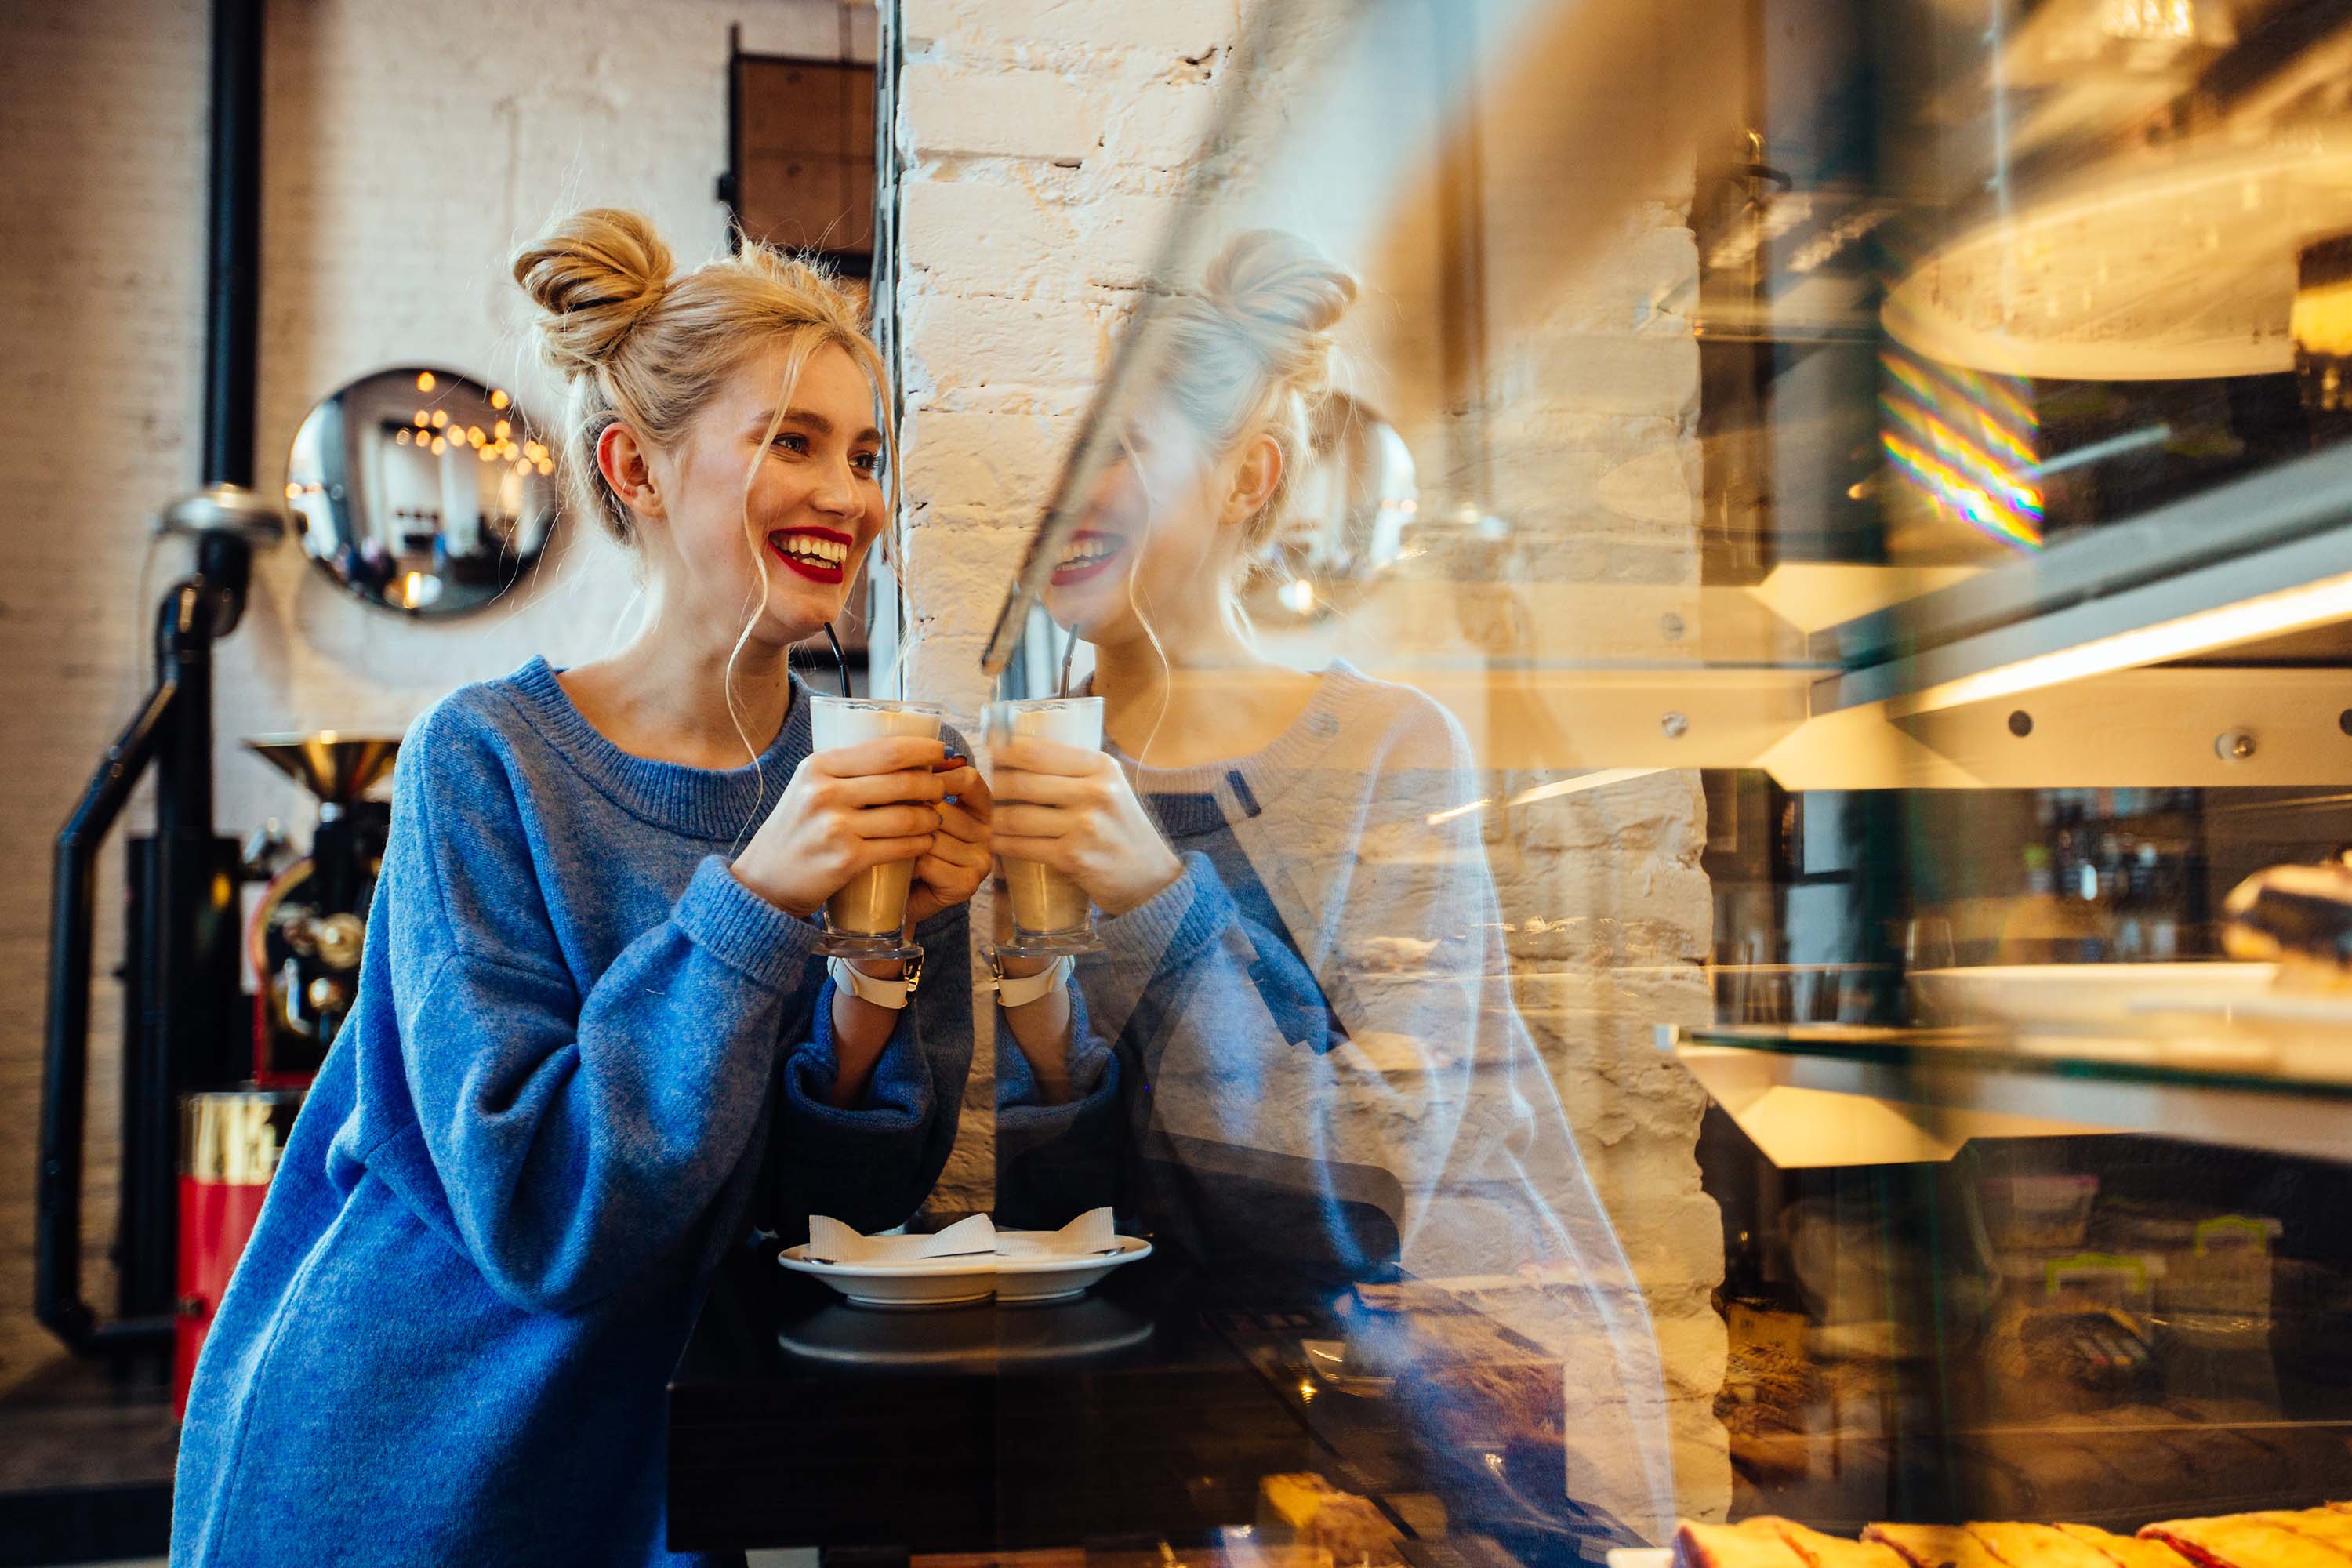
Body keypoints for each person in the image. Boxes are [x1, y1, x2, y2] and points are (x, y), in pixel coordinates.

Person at [174, 209, 997, 1566]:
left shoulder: (870, 770)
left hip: (694, 1461)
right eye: (791, 441)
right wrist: (754, 904)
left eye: (866, 454)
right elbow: (545, 1214)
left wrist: (873, 971)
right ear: (638, 467)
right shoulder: (485, 759)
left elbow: (827, 1220)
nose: (851, 497)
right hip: (426, 1462)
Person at [987, 230, 1679, 1544]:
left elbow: (1366, 1184)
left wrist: (1152, 894)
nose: (1067, 495)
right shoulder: (1046, 760)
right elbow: (1065, 1214)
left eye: (1121, 450)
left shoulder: (1388, 747)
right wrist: (1026, 1010)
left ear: (1249, 475)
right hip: (1201, 1412)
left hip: (1464, 1398)